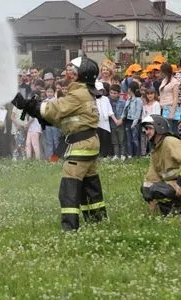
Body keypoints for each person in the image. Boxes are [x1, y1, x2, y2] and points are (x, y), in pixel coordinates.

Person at [12, 56, 108, 231]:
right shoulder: (83, 91)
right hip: (88, 143)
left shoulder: (78, 93)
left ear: (81, 74)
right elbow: (65, 118)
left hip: (81, 146)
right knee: (90, 185)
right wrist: (37, 113)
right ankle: (98, 221)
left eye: (73, 70)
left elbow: (53, 109)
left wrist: (26, 104)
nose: (68, 73)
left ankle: (70, 228)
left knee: (69, 188)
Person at [140, 115, 181, 216]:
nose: (146, 132)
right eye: (145, 129)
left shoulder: (170, 141)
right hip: (174, 185)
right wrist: (149, 195)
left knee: (158, 190)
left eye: (149, 128)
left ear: (159, 127)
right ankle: (173, 210)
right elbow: (152, 176)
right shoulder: (156, 149)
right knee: (147, 188)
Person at [95, 81, 118, 159]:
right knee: (98, 139)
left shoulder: (106, 99)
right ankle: (98, 155)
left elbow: (110, 111)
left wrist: (115, 120)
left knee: (105, 138)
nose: (100, 92)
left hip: (105, 122)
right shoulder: (92, 99)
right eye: (98, 90)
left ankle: (105, 155)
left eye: (101, 90)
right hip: (96, 123)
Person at [122, 81, 143, 158]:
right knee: (128, 138)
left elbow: (138, 112)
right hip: (128, 120)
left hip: (135, 122)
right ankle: (130, 154)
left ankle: (137, 155)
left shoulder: (138, 100)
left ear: (130, 89)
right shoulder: (129, 99)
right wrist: (122, 118)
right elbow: (125, 109)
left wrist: (134, 123)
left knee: (135, 138)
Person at [159, 63, 180, 134]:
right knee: (167, 130)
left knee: (171, 130)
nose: (160, 73)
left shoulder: (174, 82)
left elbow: (176, 98)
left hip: (171, 107)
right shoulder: (164, 80)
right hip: (164, 107)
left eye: (161, 71)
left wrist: (172, 112)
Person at [141, 87, 161, 156]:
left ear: (154, 94)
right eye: (148, 94)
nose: (150, 95)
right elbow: (143, 116)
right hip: (146, 125)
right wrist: (144, 126)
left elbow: (157, 115)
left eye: (151, 94)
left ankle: (154, 154)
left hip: (153, 125)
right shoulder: (145, 105)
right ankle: (147, 153)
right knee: (147, 140)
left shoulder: (156, 104)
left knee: (154, 140)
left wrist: (152, 125)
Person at [43, 84, 61, 160]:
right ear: (45, 92)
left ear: (54, 92)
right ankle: (50, 158)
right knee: (49, 142)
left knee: (56, 141)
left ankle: (57, 158)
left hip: (55, 124)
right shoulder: (44, 101)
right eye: (48, 91)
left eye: (51, 92)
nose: (49, 93)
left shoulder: (56, 100)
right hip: (47, 124)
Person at [109, 84, 126, 161]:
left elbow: (125, 111)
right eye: (111, 92)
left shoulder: (122, 101)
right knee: (114, 140)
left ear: (119, 93)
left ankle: (122, 154)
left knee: (121, 139)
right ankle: (116, 154)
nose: (112, 95)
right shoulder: (107, 100)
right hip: (112, 123)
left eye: (115, 93)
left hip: (120, 123)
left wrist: (121, 119)